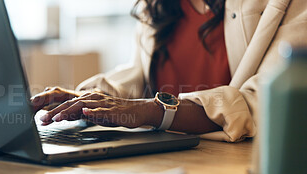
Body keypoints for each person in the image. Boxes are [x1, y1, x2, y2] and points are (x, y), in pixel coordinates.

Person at [31, 0, 307, 142]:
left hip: (236, 170)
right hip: (163, 167)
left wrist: (153, 110)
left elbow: (269, 101)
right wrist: (87, 101)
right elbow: (138, 76)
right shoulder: (159, 6)